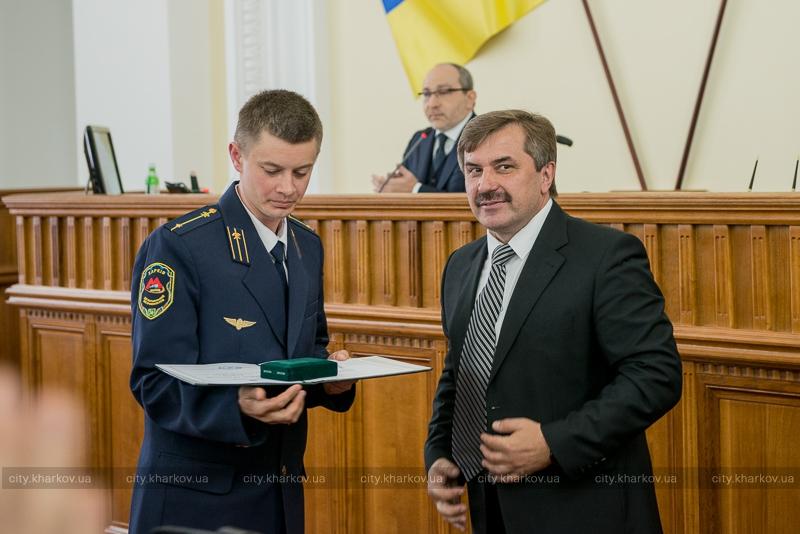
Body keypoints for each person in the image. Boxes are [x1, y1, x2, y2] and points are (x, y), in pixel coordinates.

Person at [424, 110, 682, 533]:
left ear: (546, 175)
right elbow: (460, 373)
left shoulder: (607, 256)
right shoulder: (461, 265)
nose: (485, 184)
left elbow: (656, 376)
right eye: (473, 170)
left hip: (584, 510)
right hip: (490, 508)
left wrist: (553, 443)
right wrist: (438, 454)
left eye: (504, 167)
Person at [129, 89, 356, 534]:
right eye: (272, 170)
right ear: (237, 156)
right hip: (197, 500)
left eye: (302, 172)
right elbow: (153, 383)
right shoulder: (180, 246)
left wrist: (331, 383)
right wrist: (237, 406)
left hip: (279, 492)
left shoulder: (306, 245)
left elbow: (305, 353)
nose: (288, 188)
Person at [372, 63, 476, 193]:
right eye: (426, 94)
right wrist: (392, 187)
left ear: (470, 98)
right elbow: (404, 188)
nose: (432, 104)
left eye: (443, 92)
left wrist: (416, 189)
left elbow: (474, 202)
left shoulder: (485, 138)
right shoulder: (419, 140)